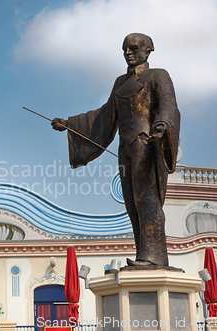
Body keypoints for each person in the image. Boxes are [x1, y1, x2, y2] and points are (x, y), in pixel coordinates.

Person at [52, 33, 180, 267]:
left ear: (148, 50)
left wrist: (161, 127)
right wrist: (70, 124)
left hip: (147, 144)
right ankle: (144, 253)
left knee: (147, 200)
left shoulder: (158, 75)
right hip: (126, 148)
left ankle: (155, 257)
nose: (128, 53)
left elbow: (168, 107)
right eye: (124, 50)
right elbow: (104, 115)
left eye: (133, 48)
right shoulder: (120, 82)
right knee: (131, 203)